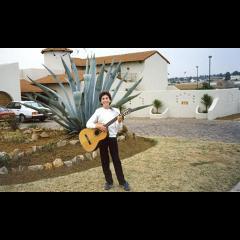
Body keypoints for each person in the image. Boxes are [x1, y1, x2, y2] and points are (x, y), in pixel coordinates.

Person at [86, 91, 130, 191]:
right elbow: (88, 123)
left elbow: (120, 128)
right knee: (104, 160)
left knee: (116, 160)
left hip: (112, 138)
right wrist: (98, 125)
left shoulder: (116, 111)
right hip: (101, 139)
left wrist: (119, 121)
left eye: (107, 98)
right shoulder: (98, 111)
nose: (105, 100)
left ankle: (122, 182)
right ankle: (109, 182)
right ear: (101, 101)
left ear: (110, 100)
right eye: (103, 99)